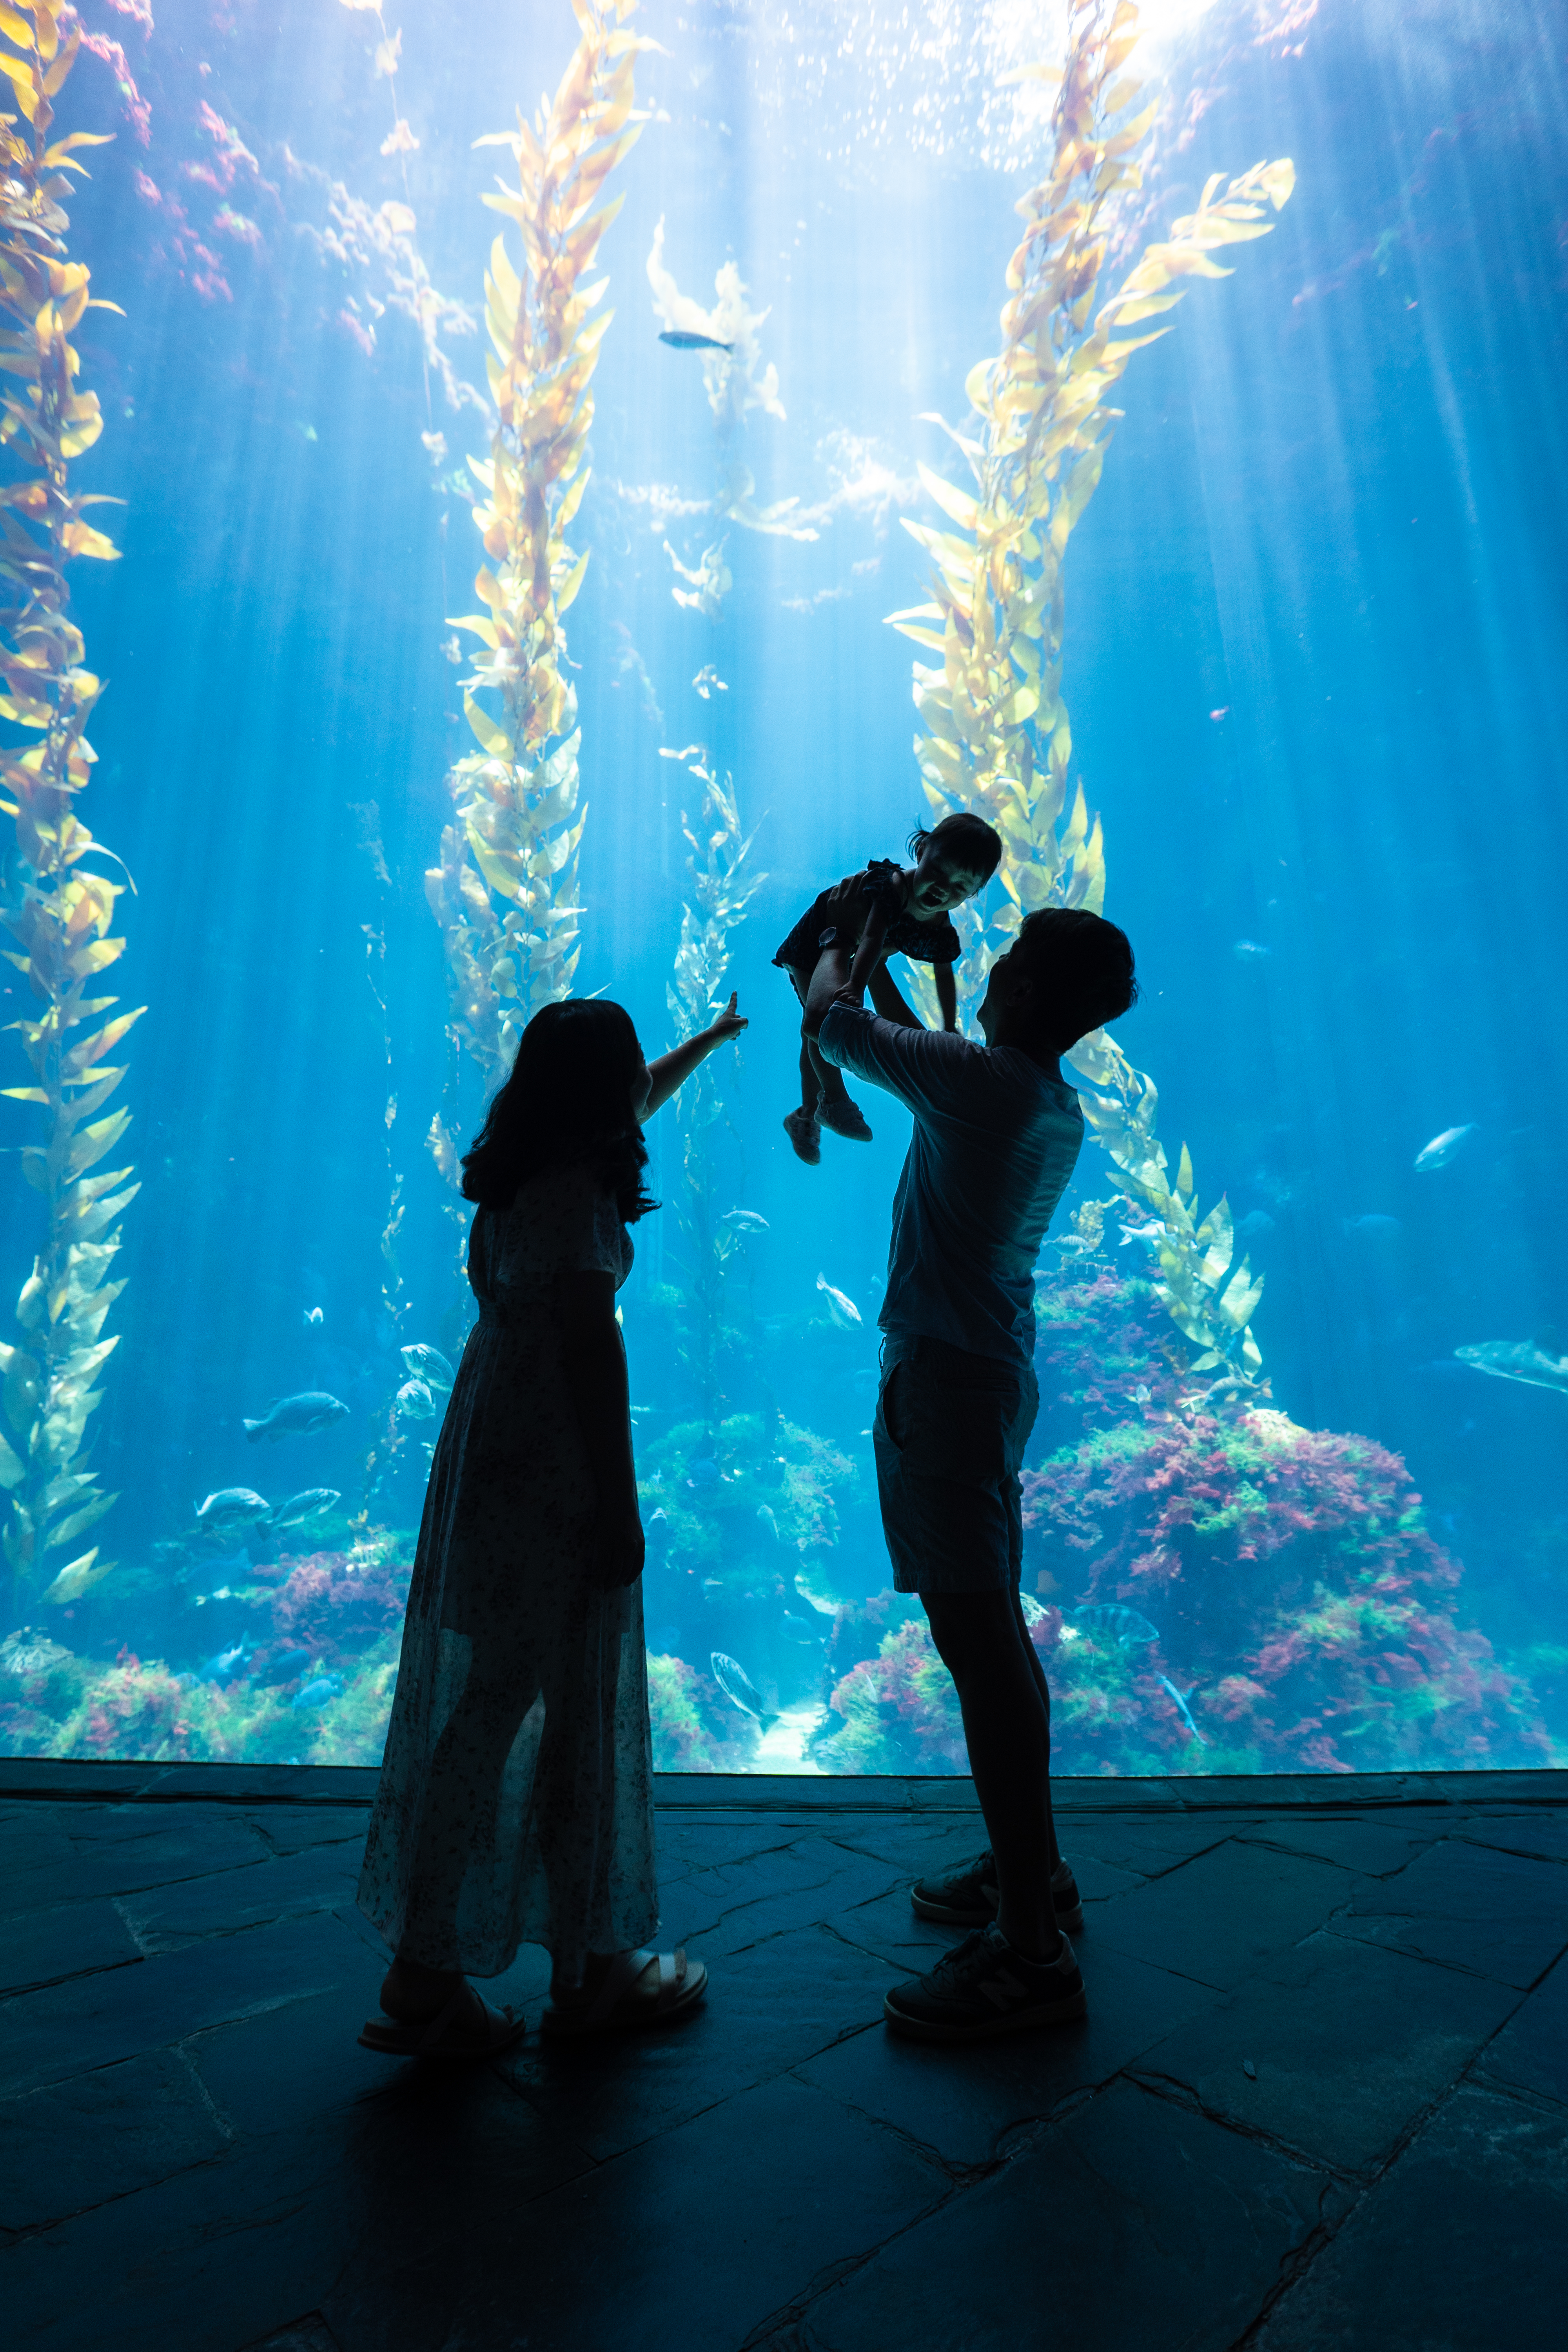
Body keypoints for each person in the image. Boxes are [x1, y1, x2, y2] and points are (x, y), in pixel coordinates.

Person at [355, 991, 746, 2056]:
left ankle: (468, 1962)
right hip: (553, 1476)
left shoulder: (524, 1172)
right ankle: (563, 1970)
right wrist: (620, 1508)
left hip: (491, 1455)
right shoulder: (578, 1194)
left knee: (492, 1708)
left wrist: (704, 1046)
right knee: (554, 1711)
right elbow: (592, 1349)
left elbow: (634, 1100)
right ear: (600, 1093)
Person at [804, 902, 1138, 2043]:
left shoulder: (985, 1086)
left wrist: (847, 936)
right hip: (988, 1376)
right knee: (996, 1632)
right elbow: (920, 1059)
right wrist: (888, 968)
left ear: (1032, 994)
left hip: (943, 1387)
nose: (989, 969)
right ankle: (1027, 1872)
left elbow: (836, 1023)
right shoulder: (1042, 1098)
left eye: (1010, 962)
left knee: (979, 1648)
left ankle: (1028, 1958)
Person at [771, 811, 1001, 1164]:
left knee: (819, 1031)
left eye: (959, 888)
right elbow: (872, 939)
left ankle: (804, 1115)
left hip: (852, 950)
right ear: (922, 850)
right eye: (938, 870)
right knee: (818, 1028)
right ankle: (831, 1101)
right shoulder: (891, 888)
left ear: (972, 894)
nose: (942, 889)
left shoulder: (939, 918)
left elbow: (943, 968)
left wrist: (950, 1022)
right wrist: (854, 988)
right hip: (815, 943)